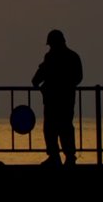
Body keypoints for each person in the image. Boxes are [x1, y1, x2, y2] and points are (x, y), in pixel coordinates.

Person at [31, 29, 83, 166]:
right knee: (64, 127)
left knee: (51, 128)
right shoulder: (73, 56)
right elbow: (78, 77)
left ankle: (55, 157)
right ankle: (69, 156)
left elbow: (39, 76)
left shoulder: (51, 57)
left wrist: (38, 83)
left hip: (53, 99)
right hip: (66, 99)